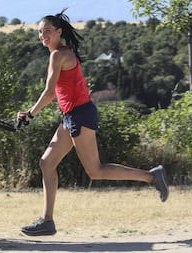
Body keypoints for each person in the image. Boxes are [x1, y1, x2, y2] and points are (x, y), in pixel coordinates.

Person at [17, 9, 169, 236]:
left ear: (59, 32)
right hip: (72, 116)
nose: (43, 35)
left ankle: (151, 176)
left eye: (47, 31)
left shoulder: (58, 55)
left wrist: (30, 113)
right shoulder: (62, 53)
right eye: (40, 32)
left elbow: (49, 93)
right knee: (47, 163)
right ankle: (47, 221)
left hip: (80, 114)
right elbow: (56, 93)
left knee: (95, 171)